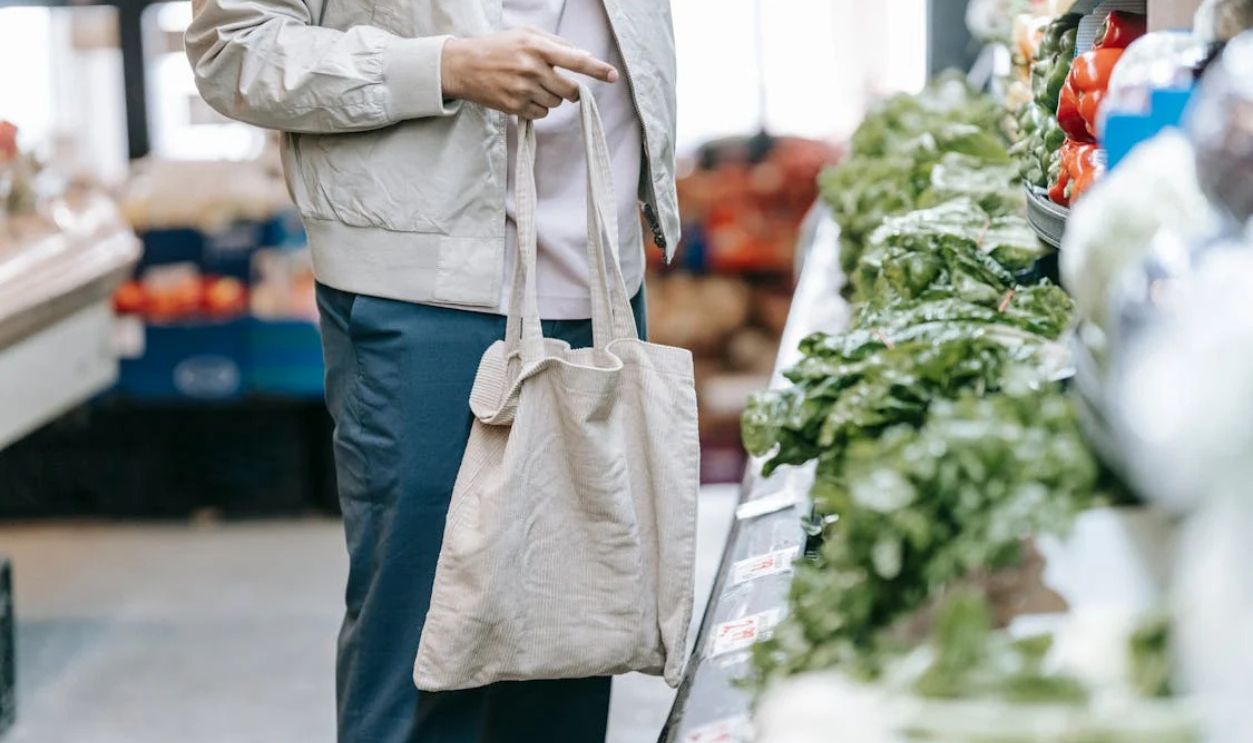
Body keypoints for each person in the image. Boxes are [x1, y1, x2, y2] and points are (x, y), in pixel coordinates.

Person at [185, 0, 678, 740]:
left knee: (572, 645)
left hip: (600, 283)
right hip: (426, 295)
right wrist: (442, 66)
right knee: (424, 659)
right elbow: (232, 49)